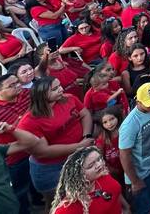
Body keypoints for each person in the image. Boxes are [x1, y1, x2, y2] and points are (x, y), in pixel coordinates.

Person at [17, 76, 94, 204]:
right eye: (55, 89)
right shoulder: (29, 122)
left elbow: (84, 114)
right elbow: (43, 151)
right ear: (42, 95)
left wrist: (86, 136)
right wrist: (79, 145)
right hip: (52, 168)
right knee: (60, 203)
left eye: (59, 86)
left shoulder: (69, 99)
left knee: (85, 195)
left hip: (78, 156)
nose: (61, 89)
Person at [0, 72, 33, 213]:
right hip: (17, 157)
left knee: (34, 186)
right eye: (12, 85)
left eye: (18, 82)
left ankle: (38, 201)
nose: (18, 86)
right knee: (21, 191)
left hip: (36, 147)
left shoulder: (26, 94)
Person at [119, 81, 150, 214]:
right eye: (148, 104)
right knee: (145, 208)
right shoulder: (129, 125)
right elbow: (124, 155)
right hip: (140, 173)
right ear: (138, 102)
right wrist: (135, 181)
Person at [51, 146, 128, 214]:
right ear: (79, 175)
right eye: (91, 166)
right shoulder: (68, 208)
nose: (99, 165)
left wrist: (126, 207)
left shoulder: (102, 175)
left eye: (99, 159)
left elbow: (115, 193)